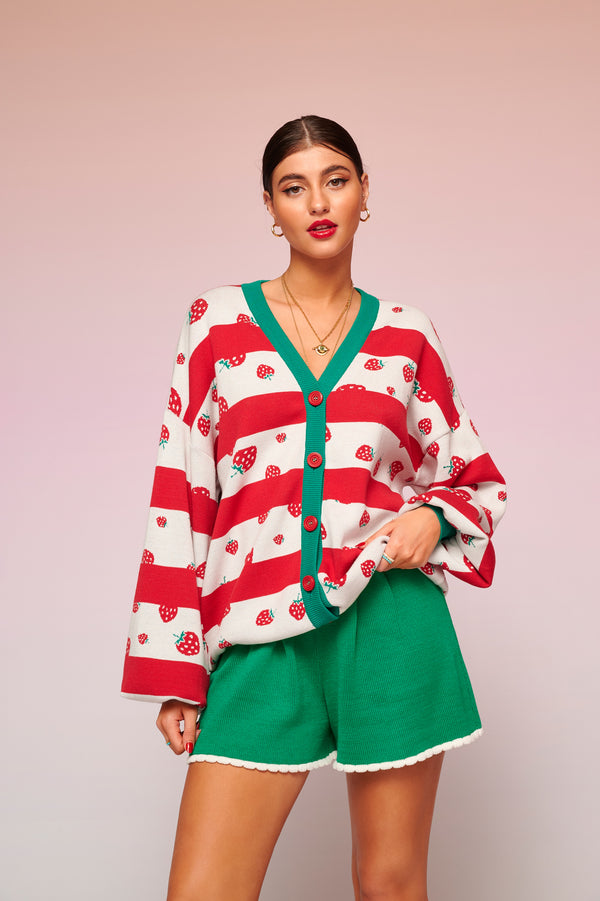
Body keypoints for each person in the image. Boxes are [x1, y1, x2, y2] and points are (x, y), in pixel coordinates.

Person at [121, 114, 507, 901]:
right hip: (260, 629)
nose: (318, 202)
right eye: (294, 188)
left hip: (390, 621)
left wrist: (432, 517)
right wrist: (178, 670)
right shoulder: (216, 323)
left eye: (336, 180)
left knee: (390, 885)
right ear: (271, 206)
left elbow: (474, 477)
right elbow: (180, 495)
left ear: (364, 192)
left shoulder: (407, 335)